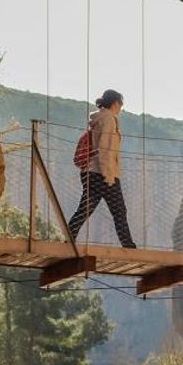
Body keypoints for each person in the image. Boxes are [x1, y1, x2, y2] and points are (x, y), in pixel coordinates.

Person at [68, 89, 136, 248]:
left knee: (86, 208)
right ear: (115, 103)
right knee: (119, 211)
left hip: (89, 172)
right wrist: (109, 176)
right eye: (121, 104)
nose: (121, 108)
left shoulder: (99, 118)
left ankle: (69, 236)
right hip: (102, 173)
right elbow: (105, 149)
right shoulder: (109, 120)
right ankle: (128, 246)